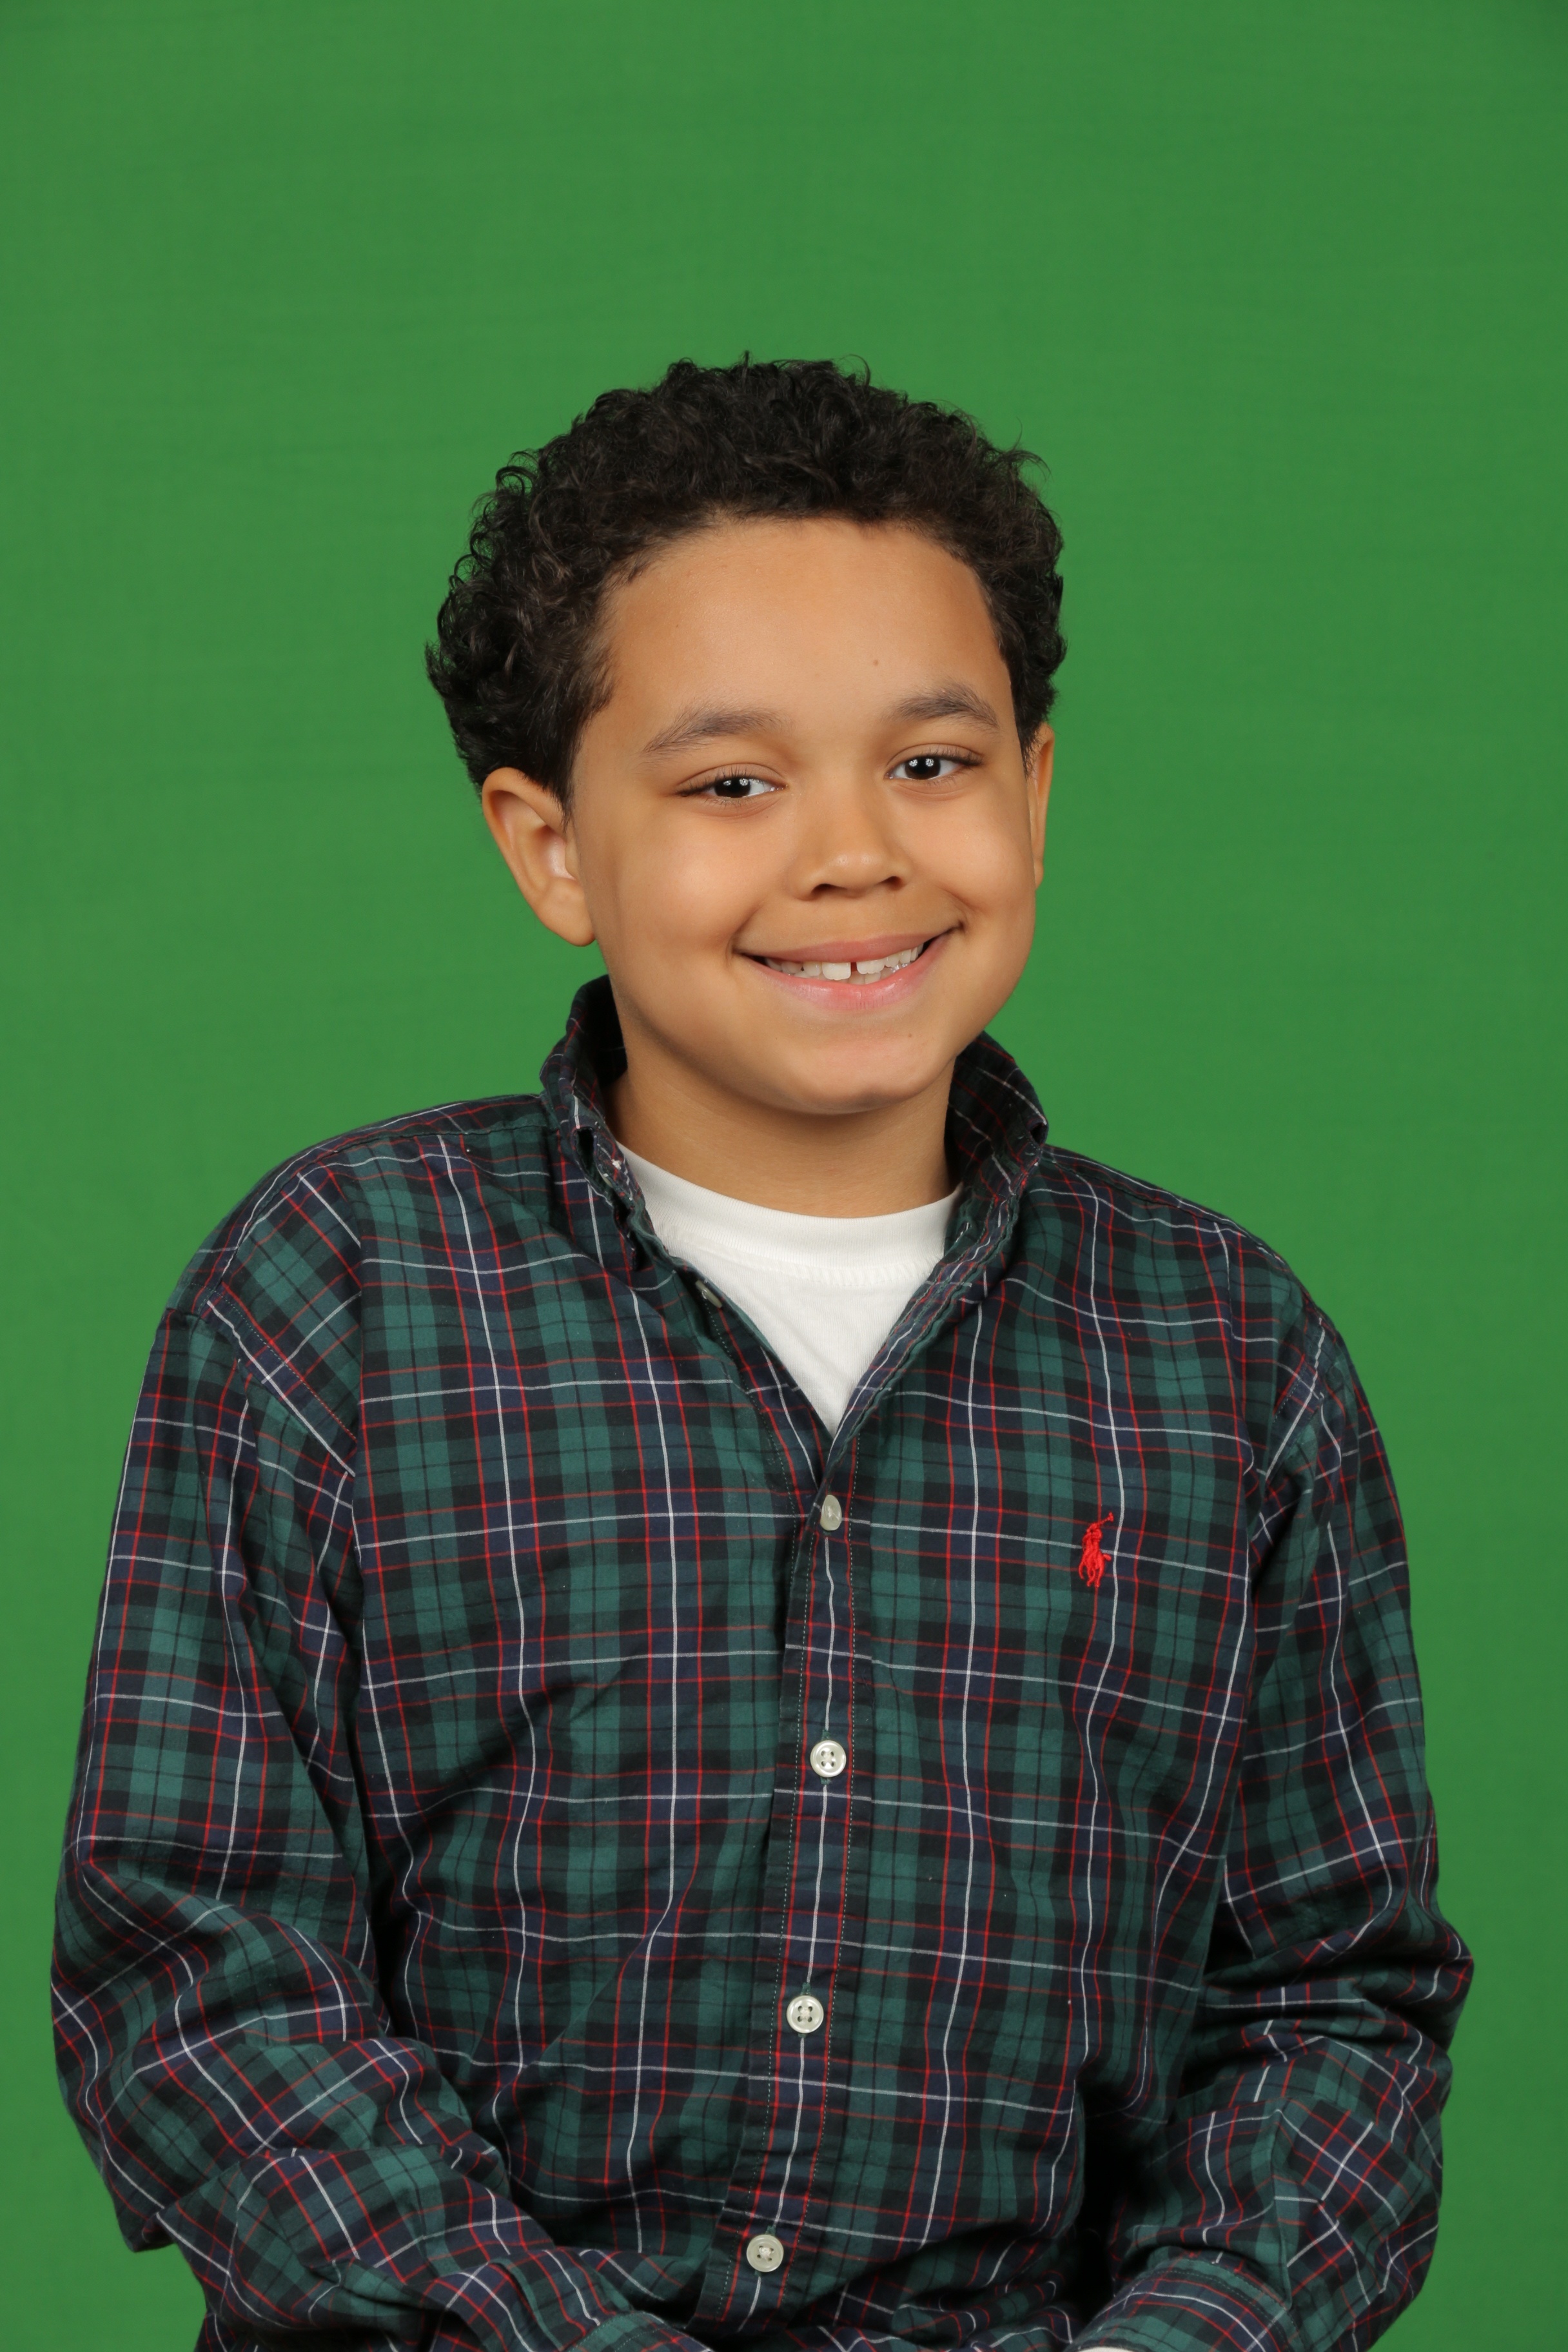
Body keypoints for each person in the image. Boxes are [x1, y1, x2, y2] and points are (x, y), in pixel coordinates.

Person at [52, 358, 1469, 2352]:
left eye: (932, 763)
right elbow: (200, 1978)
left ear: (1037, 790)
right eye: (732, 784)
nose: (853, 855)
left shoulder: (1232, 1357)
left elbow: (1334, 2008)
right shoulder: (335, 1297)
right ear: (551, 845)